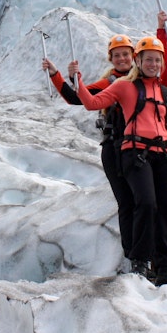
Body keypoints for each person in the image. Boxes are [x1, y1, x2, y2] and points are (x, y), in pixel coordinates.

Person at [74, 37, 167, 285]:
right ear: (139, 60)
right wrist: (79, 81)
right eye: (148, 59)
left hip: (164, 155)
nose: (153, 64)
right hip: (134, 153)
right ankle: (140, 260)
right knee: (146, 204)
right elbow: (92, 103)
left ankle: (166, 265)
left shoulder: (166, 94)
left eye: (157, 60)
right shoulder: (124, 86)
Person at [43, 34, 137, 268]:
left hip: (140, 149)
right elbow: (76, 98)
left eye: (126, 54)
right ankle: (134, 256)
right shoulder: (110, 83)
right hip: (116, 149)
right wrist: (59, 75)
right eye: (117, 55)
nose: (122, 58)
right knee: (128, 203)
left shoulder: (144, 80)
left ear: (133, 56)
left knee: (144, 202)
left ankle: (145, 253)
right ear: (111, 59)